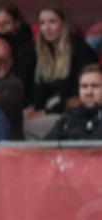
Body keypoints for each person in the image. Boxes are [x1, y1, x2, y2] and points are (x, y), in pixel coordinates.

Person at [23, 5, 97, 140]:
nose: (47, 28)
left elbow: (78, 99)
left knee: (28, 127)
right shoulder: (38, 51)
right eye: (42, 23)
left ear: (64, 23)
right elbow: (37, 90)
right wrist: (32, 108)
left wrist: (45, 112)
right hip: (50, 112)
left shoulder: (80, 50)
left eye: (52, 22)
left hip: (73, 114)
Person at [0, 2, 37, 99]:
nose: (1, 29)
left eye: (6, 23)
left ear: (17, 23)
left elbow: (21, 82)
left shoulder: (28, 49)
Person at [45, 64, 102, 140]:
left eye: (95, 86)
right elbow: (45, 146)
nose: (89, 92)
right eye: (84, 86)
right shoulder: (68, 116)